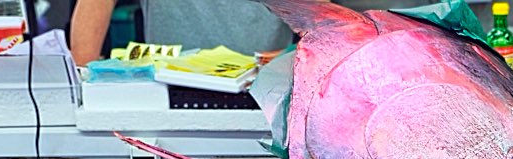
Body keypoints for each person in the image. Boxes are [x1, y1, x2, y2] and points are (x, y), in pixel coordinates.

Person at [70, 0, 383, 66]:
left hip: (259, 95)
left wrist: (286, 62)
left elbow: (318, 21)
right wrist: (86, 71)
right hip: (166, 92)